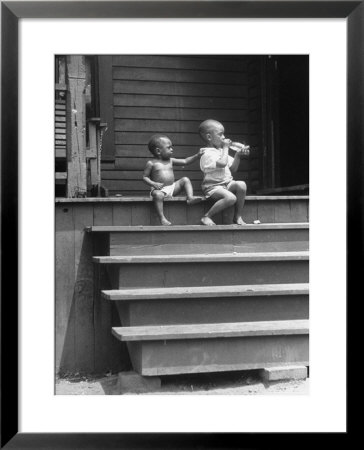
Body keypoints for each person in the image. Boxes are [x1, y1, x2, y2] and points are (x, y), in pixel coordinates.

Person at [198, 119, 250, 226]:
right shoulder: (206, 154)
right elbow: (222, 163)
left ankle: (237, 216)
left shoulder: (221, 151)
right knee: (231, 198)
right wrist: (226, 147)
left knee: (241, 184)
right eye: (220, 134)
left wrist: (238, 155)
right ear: (209, 137)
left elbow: (233, 168)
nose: (224, 137)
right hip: (213, 187)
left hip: (227, 184)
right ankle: (207, 216)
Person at [143, 134, 203, 225]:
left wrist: (197, 156)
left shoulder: (171, 160)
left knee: (185, 180)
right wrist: (153, 183)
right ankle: (162, 218)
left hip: (171, 188)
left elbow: (185, 161)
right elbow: (144, 177)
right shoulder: (151, 163)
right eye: (169, 147)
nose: (172, 149)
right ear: (158, 151)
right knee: (158, 195)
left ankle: (190, 198)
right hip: (159, 190)